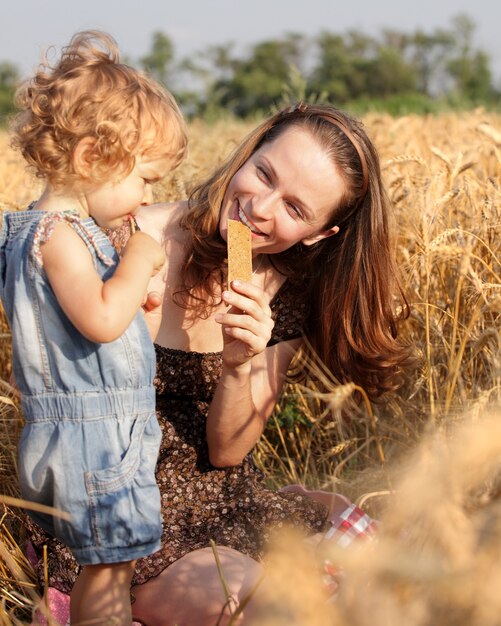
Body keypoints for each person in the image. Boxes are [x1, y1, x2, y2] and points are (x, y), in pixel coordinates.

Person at [27, 102, 408, 625]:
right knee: (261, 607)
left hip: (215, 497)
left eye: (295, 209)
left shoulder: (286, 296)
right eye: (264, 173)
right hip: (114, 495)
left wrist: (238, 365)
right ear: (249, 152)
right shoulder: (122, 240)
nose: (260, 207)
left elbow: (227, 452)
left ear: (319, 235)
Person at [0, 30, 187, 624]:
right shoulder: (58, 237)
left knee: (105, 565)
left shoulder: (35, 233)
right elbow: (102, 320)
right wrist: (140, 255)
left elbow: (93, 321)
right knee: (109, 569)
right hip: (97, 441)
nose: (146, 198)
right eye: (144, 180)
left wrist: (140, 296)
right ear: (90, 160)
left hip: (85, 432)